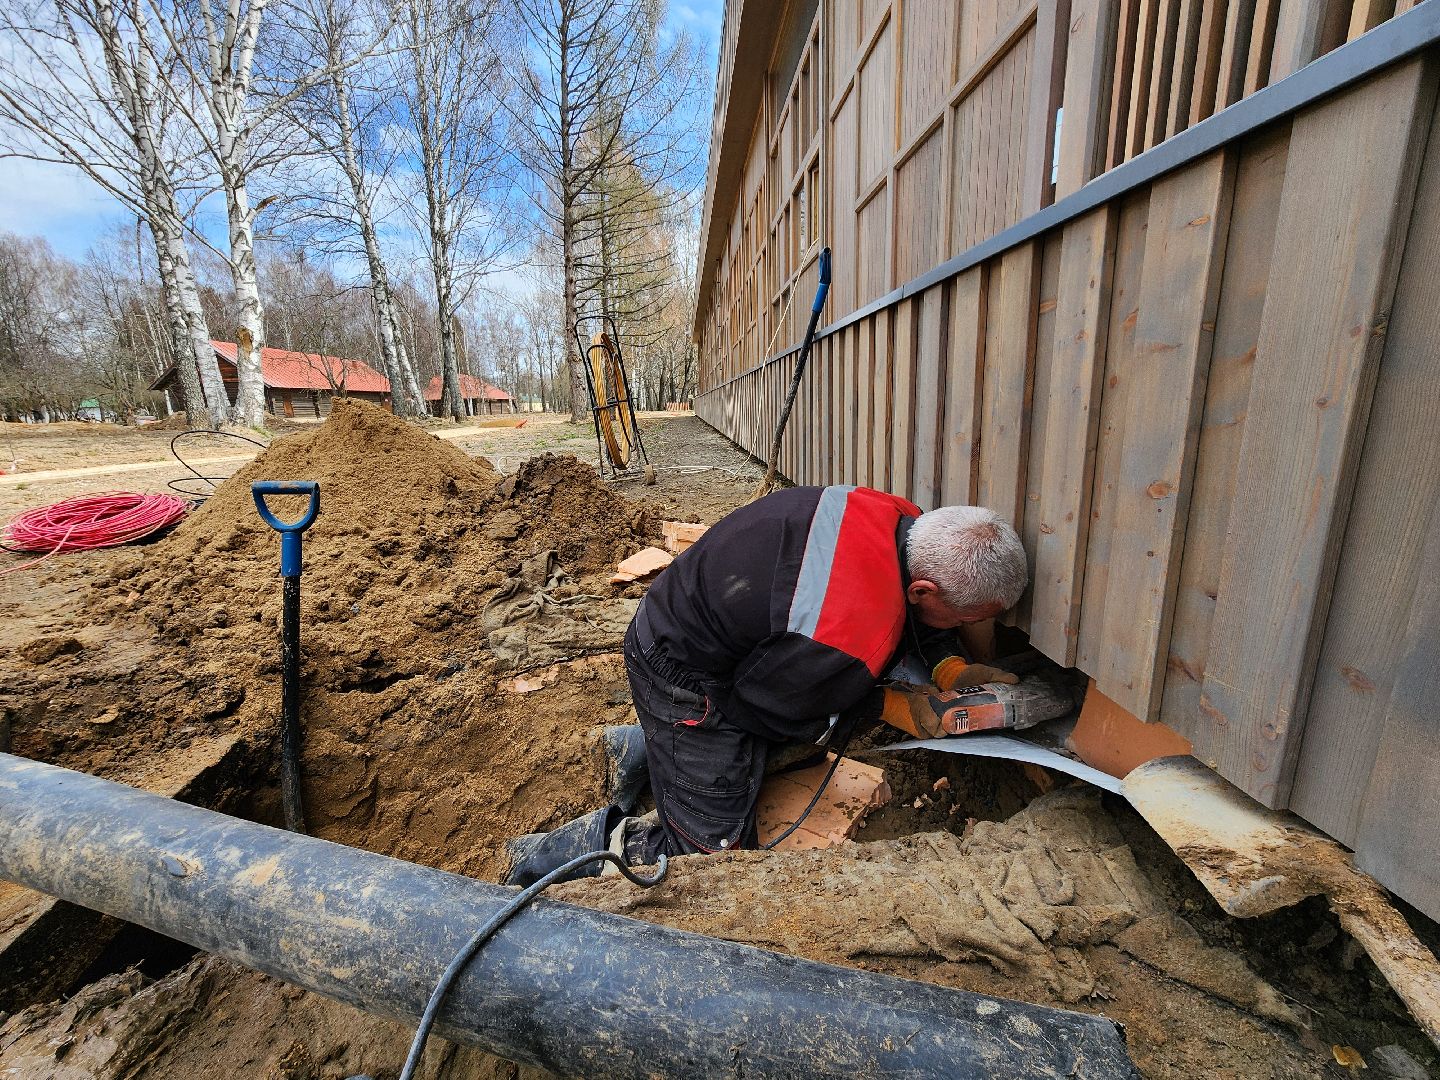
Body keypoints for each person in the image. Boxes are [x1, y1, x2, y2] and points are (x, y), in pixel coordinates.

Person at [504, 484, 1040, 888]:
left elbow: (911, 617)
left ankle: (642, 750)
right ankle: (545, 857)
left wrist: (947, 666)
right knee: (707, 858)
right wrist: (885, 704)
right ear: (922, 589)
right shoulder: (845, 633)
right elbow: (760, 705)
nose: (961, 629)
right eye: (962, 621)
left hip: (702, 619)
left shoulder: (900, 518)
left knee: (791, 735)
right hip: (680, 672)